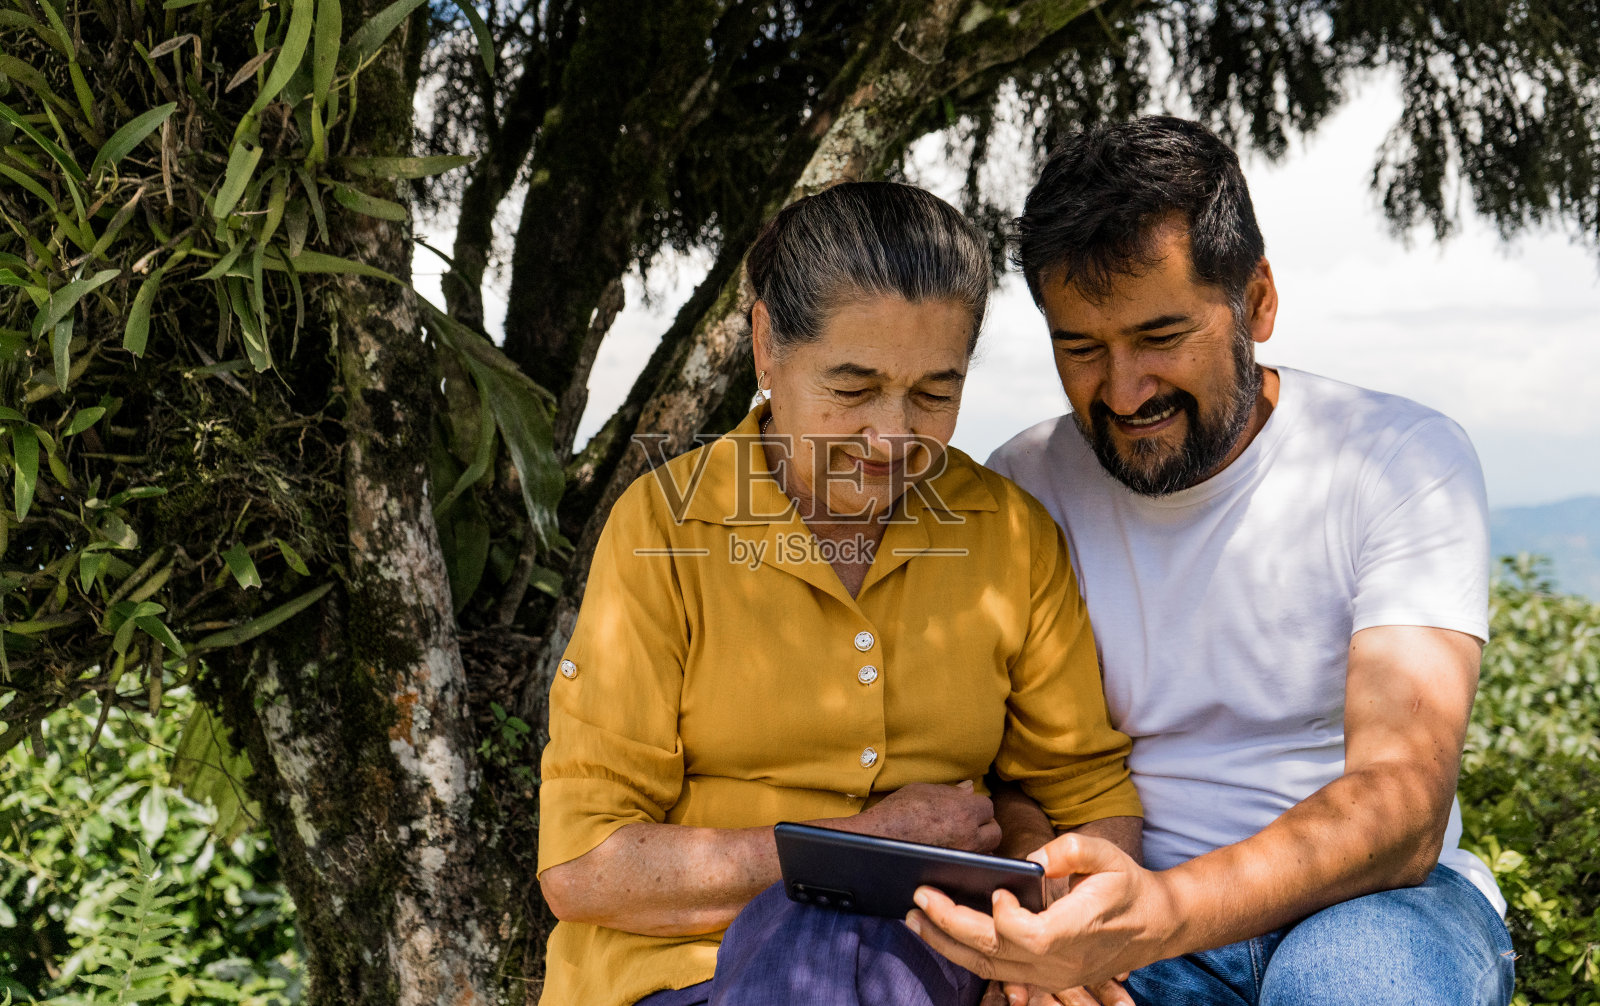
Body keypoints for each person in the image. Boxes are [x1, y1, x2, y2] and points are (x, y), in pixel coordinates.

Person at [907, 116, 1516, 1006]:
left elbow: (1403, 808)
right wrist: (1040, 914)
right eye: (1080, 348)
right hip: (1115, 918)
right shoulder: (1023, 486)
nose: (1123, 389)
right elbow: (1007, 774)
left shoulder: (1398, 457)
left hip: (1383, 907)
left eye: (1160, 336)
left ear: (1257, 302)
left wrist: (1163, 910)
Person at [535, 181, 1143, 1006]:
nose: (893, 437)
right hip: (680, 981)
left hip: (935, 973)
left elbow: (1086, 796)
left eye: (934, 393)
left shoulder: (1006, 530)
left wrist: (1050, 941)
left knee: (861, 946)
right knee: (820, 937)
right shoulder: (664, 530)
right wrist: (866, 846)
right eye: (852, 389)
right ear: (766, 349)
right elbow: (585, 869)